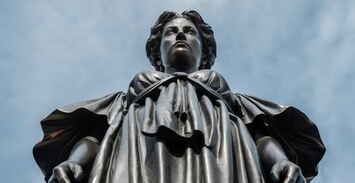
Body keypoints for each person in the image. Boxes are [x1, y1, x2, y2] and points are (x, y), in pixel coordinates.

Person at [33, 10, 325, 183]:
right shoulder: (126, 101)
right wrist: (75, 161)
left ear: (205, 50)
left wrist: (279, 162)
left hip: (220, 161)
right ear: (156, 51)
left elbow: (261, 136)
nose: (180, 36)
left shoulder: (232, 101)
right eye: (171, 32)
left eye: (190, 32)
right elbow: (95, 136)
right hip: (136, 161)